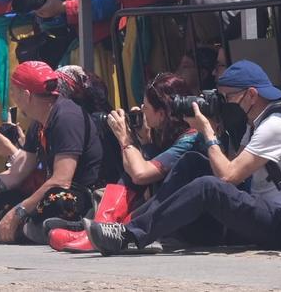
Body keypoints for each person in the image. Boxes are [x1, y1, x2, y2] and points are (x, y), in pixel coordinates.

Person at [84, 60, 281, 254]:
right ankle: (127, 227)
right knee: (193, 163)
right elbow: (231, 165)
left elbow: (228, 176)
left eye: (227, 97)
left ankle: (131, 236)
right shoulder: (258, 122)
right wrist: (213, 134)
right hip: (269, 214)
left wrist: (206, 131)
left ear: (251, 94)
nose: (223, 104)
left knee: (209, 186)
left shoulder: (278, 124)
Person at [0, 61, 105, 245]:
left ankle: (22, 230)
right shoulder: (39, 123)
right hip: (56, 193)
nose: (12, 97)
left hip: (84, 197)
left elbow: (61, 181)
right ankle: (23, 229)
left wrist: (17, 212)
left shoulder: (67, 117)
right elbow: (15, 174)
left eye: (13, 91)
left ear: (26, 95)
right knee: (5, 197)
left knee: (54, 201)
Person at [49, 73, 204, 253]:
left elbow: (140, 175)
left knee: (140, 165)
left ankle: (105, 229)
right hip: (168, 216)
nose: (141, 110)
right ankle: (99, 227)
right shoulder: (168, 134)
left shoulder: (190, 139)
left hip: (188, 223)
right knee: (142, 158)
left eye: (145, 107)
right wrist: (144, 142)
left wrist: (125, 139)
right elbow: (133, 172)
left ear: (161, 114)